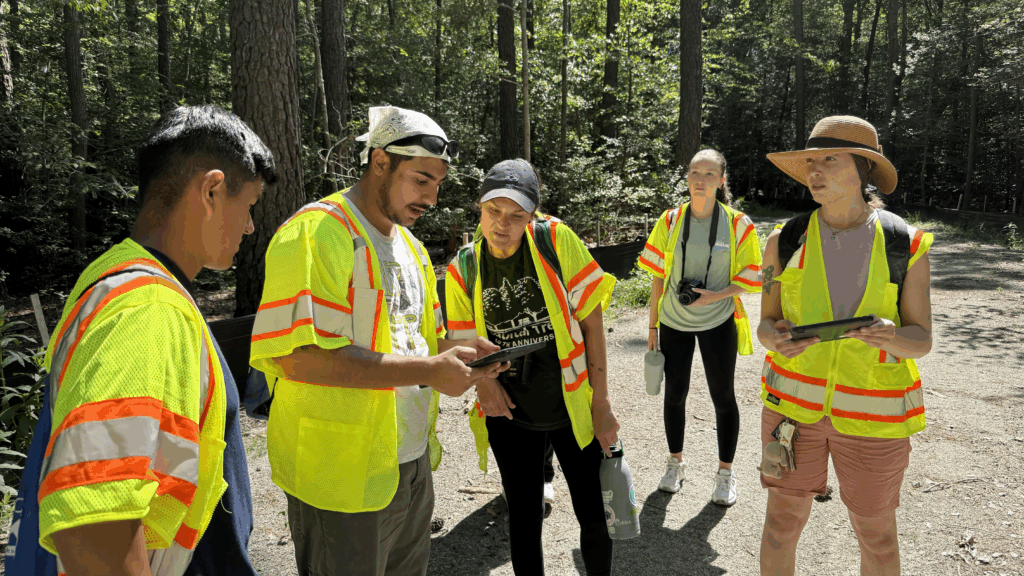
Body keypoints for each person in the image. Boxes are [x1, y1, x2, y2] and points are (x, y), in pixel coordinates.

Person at [249, 106, 506, 576]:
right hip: (338, 476)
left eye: (437, 185)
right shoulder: (316, 233)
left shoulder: (410, 247)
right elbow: (297, 358)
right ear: (380, 163)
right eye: (421, 180)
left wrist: (461, 350)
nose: (431, 198)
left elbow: (416, 340)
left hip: (407, 464)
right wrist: (430, 371)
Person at [36, 105, 274, 576]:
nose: (250, 226)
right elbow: (95, 531)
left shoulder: (113, 276)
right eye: (248, 205)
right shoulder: (146, 309)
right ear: (210, 190)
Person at [757, 116, 933, 576]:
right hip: (792, 411)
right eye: (810, 161)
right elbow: (765, 326)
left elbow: (921, 341)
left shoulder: (906, 245)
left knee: (877, 538)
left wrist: (890, 336)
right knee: (780, 523)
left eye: (829, 160)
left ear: (864, 169)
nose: (815, 171)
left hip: (875, 421)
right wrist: (772, 338)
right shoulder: (783, 240)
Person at [445, 159, 620, 576]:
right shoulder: (463, 269)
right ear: (479, 207)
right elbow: (461, 346)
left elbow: (592, 324)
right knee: (523, 521)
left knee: (594, 515)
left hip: (571, 409)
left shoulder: (555, 241)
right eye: (493, 211)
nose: (501, 225)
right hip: (511, 415)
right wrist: (483, 388)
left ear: (532, 216)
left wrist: (601, 403)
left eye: (515, 216)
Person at [637, 148, 762, 505]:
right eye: (695, 173)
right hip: (675, 322)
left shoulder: (739, 224)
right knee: (675, 395)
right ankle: (675, 463)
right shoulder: (671, 220)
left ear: (722, 180)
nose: (700, 181)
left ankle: (725, 473)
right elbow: (658, 276)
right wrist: (652, 329)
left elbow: (753, 277)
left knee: (723, 397)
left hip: (718, 320)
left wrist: (716, 295)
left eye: (709, 174)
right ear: (687, 178)